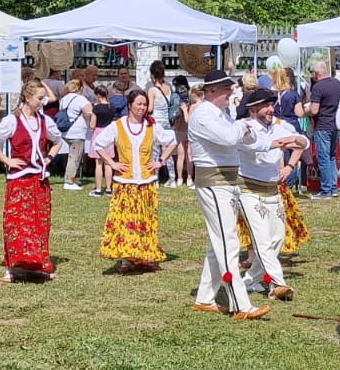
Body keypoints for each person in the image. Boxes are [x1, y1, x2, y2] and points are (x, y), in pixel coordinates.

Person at [187, 70, 275, 320]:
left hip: (226, 180)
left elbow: (245, 140)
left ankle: (205, 298)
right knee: (228, 242)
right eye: (226, 89)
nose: (231, 93)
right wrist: (242, 126)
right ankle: (240, 304)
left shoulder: (221, 114)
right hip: (214, 182)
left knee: (219, 244)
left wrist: (245, 130)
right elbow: (229, 138)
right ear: (212, 91)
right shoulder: (203, 114)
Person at [0, 80, 64, 283]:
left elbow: (58, 140)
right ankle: (12, 267)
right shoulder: (12, 121)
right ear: (28, 98)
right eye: (39, 98)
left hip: (39, 179)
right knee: (16, 222)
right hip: (19, 180)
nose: (42, 102)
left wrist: (48, 158)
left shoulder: (45, 121)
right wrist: (6, 159)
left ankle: (38, 264)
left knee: (39, 222)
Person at [235, 88, 309, 300]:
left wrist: (291, 163)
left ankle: (247, 282)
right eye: (266, 106)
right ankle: (278, 284)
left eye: (271, 105)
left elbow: (303, 143)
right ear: (253, 108)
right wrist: (280, 143)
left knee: (277, 238)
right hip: (248, 189)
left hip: (272, 189)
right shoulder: (243, 126)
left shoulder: (279, 125)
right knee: (262, 238)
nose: (270, 109)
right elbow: (253, 146)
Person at [96, 89, 179, 272]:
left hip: (146, 181)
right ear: (130, 105)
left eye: (144, 104)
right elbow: (99, 143)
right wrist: (112, 163)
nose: (142, 108)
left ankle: (145, 255)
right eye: (139, 104)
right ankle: (126, 258)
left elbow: (172, 140)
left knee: (145, 219)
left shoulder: (152, 126)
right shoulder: (118, 126)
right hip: (125, 182)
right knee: (125, 221)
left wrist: (160, 161)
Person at [305, 60, 340, 199]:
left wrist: (305, 111)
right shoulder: (337, 83)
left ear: (315, 73)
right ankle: (333, 187)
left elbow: (314, 110)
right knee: (332, 157)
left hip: (323, 125)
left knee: (323, 158)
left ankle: (326, 190)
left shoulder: (318, 87)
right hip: (335, 124)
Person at [57, 79, 93, 191]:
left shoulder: (64, 99)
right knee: (75, 157)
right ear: (81, 88)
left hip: (66, 131)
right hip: (77, 132)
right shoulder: (81, 99)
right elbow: (89, 112)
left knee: (71, 156)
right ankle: (69, 181)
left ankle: (72, 177)